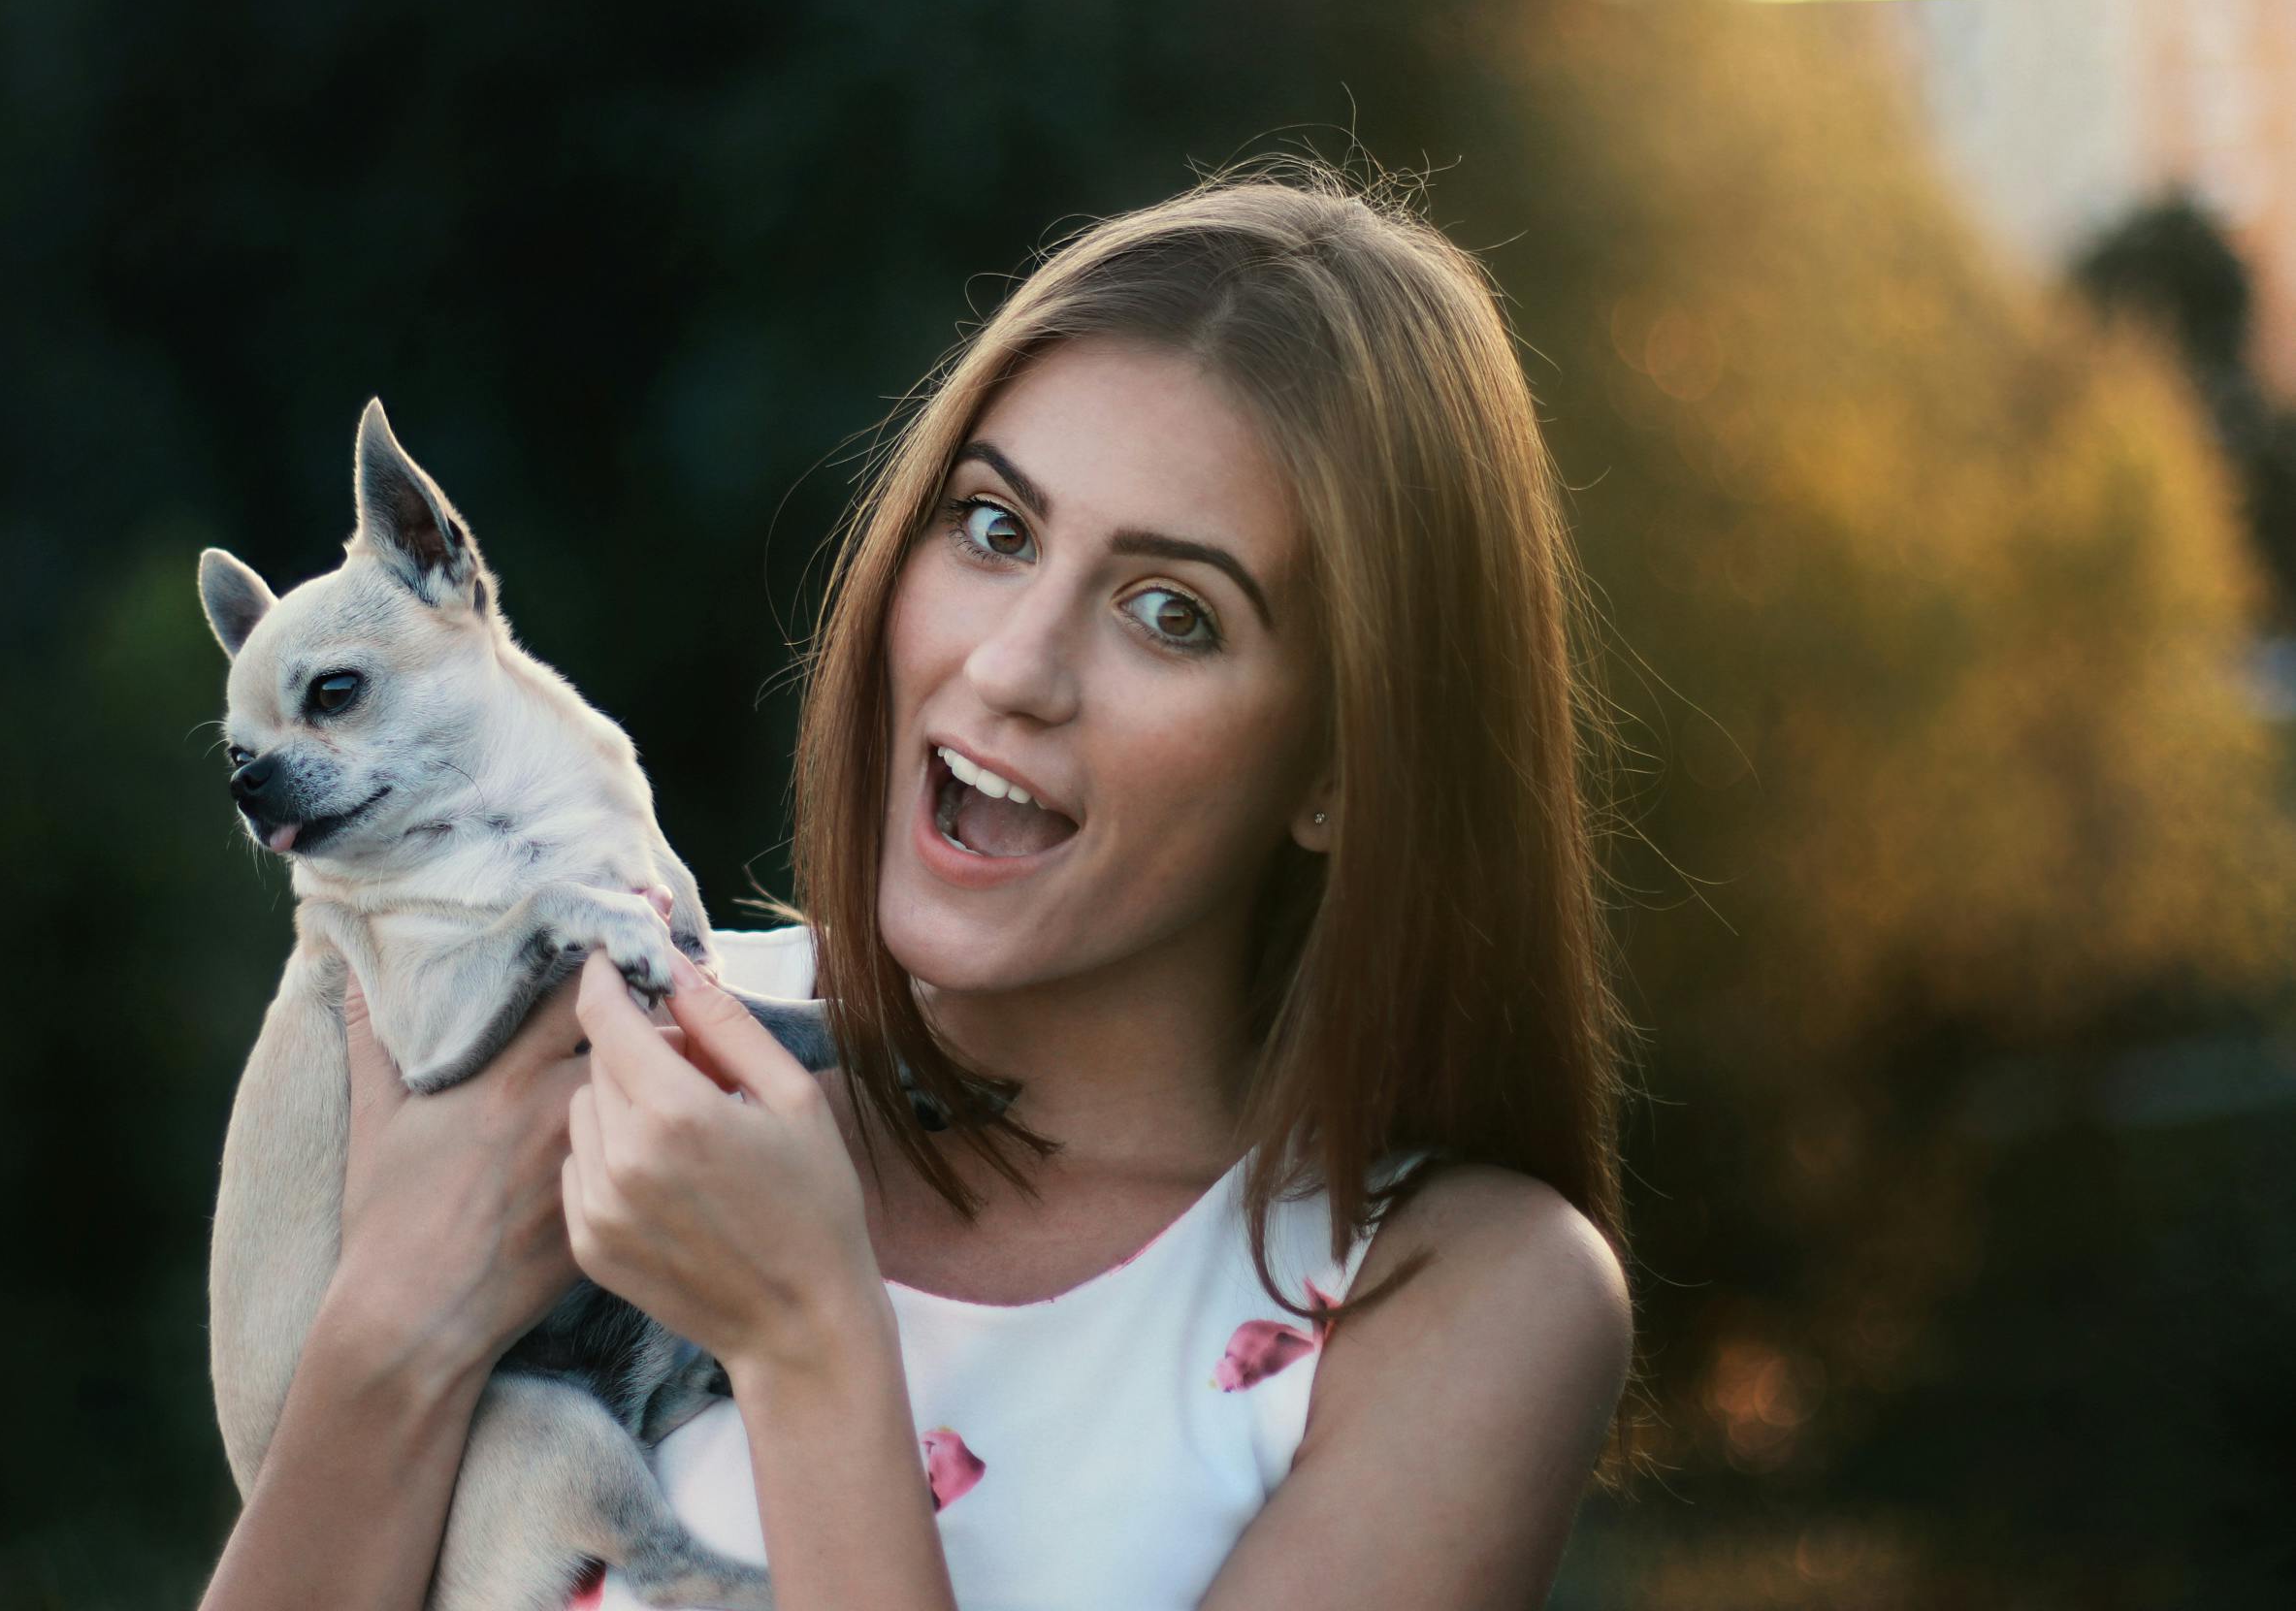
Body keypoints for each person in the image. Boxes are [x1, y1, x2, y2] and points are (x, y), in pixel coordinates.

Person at [198, 163, 1639, 1611]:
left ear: (1343, 758)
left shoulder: (1459, 1303)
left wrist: (810, 1340)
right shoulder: (575, 1042)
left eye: (1171, 613)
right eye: (995, 530)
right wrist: (398, 1325)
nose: (1011, 666)